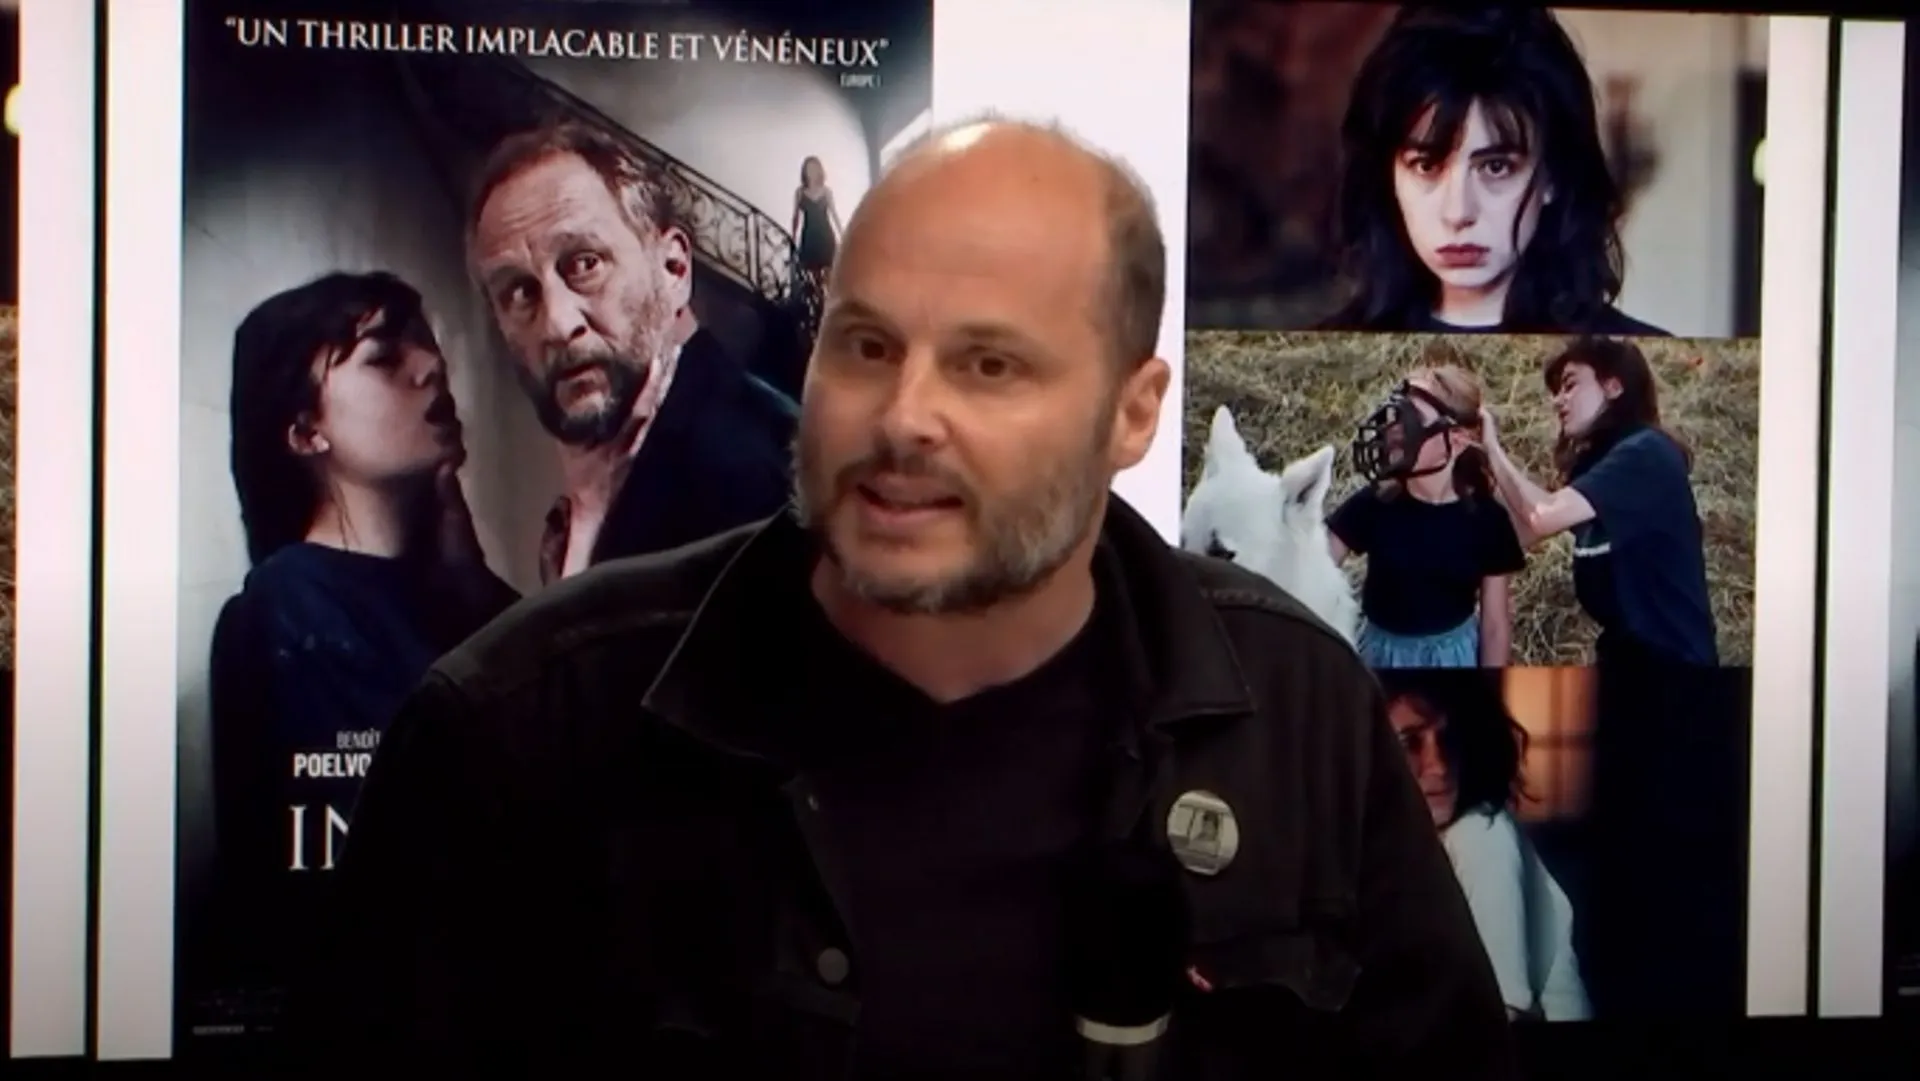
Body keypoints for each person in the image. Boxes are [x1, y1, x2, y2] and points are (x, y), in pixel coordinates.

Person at [318, 116, 1516, 1079]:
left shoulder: (1293, 708)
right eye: (866, 346)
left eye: (989, 363)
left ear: (1132, 412)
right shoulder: (518, 732)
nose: (902, 419)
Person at [200, 271, 519, 1035]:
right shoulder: (288, 605)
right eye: (383, 356)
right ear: (305, 430)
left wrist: (483, 588)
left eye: (426, 344)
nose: (431, 366)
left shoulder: (456, 593)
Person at [466, 120, 798, 583]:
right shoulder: (616, 472)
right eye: (520, 292)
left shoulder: (749, 476)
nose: (557, 324)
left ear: (673, 269)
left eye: (585, 264)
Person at [1323, 6, 1668, 335]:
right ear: (1389, 177)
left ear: (1553, 174)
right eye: (1426, 165)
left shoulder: (1646, 357)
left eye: (1496, 167)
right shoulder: (1324, 355)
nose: (1458, 213)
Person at [1479, 336, 1715, 667]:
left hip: (1673, 666)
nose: (1557, 401)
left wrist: (1492, 449)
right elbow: (1518, 535)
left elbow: (1542, 516)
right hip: (1624, 659)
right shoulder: (1600, 464)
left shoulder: (1645, 453)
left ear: (1613, 386)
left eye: (1570, 385)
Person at [1379, 668, 1591, 1022]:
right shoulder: (1395, 842)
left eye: (1448, 739)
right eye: (1409, 743)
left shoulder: (1480, 835)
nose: (1438, 767)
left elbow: (1504, 1012)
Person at [1331, 355, 1525, 667]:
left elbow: (1495, 626)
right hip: (1378, 654)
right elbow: (1314, 562)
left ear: (1457, 440)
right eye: (1396, 414)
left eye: (1413, 419)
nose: (1394, 429)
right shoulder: (1375, 502)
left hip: (1453, 659)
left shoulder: (1487, 520)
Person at [792, 155, 843, 290]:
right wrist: (793, 237)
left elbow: (834, 213)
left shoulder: (826, 191)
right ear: (805, 172)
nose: (812, 172)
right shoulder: (800, 192)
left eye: (814, 169)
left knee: (830, 274)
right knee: (815, 276)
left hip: (825, 234)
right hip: (809, 236)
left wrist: (842, 234)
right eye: (809, 169)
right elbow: (796, 217)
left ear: (819, 171)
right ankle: (820, 299)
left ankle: (829, 298)